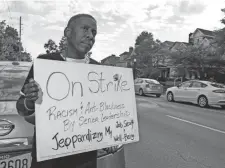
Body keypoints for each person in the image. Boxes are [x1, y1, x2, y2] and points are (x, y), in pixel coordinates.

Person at [16, 14, 108, 168]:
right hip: (47, 159)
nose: (90, 35)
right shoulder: (45, 62)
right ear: (68, 32)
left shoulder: (99, 70)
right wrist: (30, 100)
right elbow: (21, 107)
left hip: (84, 160)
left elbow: (104, 114)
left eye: (94, 32)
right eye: (85, 29)